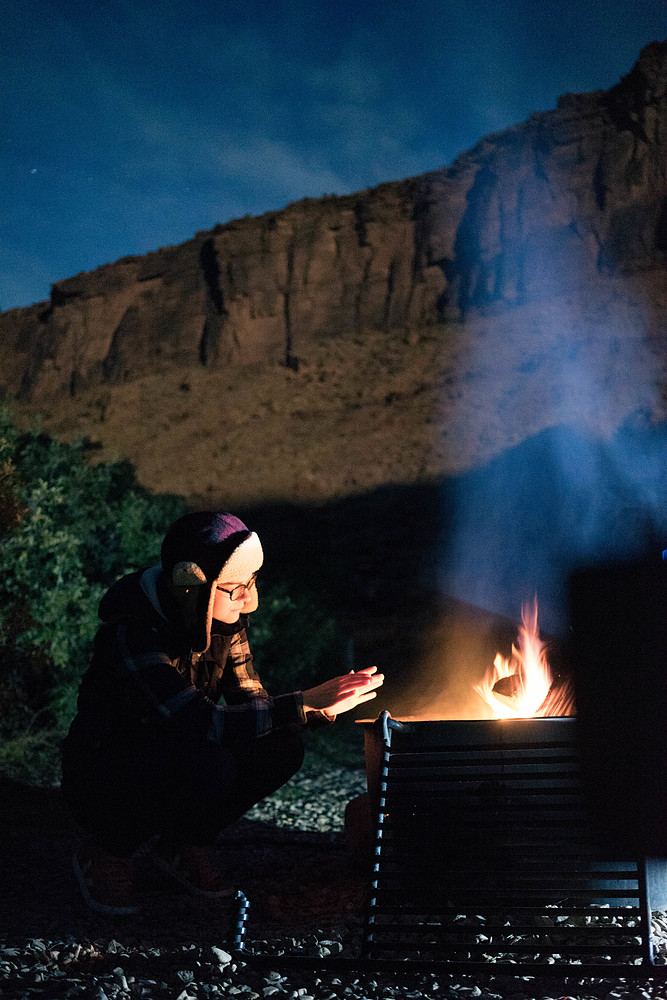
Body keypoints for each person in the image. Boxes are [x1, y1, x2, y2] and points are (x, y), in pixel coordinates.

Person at [61, 510, 383, 916]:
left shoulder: (225, 622)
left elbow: (251, 705)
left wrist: (319, 710)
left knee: (280, 748)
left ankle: (183, 842)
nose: (250, 599)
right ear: (191, 585)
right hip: (109, 768)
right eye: (235, 587)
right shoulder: (136, 633)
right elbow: (203, 720)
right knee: (209, 766)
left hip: (181, 749)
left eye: (251, 582)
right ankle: (107, 848)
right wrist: (302, 702)